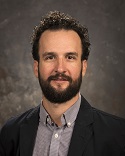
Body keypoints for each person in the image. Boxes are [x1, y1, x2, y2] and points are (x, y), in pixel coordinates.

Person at [0, 10, 125, 156]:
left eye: (70, 57)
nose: (60, 68)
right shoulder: (11, 132)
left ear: (83, 67)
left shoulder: (119, 135)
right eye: (50, 57)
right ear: (36, 67)